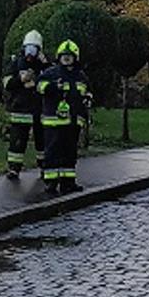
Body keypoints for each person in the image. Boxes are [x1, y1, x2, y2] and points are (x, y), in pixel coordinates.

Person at [38, 40, 92, 194]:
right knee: (52, 151)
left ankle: (68, 182)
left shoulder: (81, 76)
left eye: (70, 56)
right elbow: (39, 87)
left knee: (70, 153)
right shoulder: (52, 73)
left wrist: (88, 98)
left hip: (73, 122)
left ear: (76, 57)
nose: (67, 58)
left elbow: (88, 91)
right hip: (54, 122)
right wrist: (53, 87)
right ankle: (51, 182)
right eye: (64, 56)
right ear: (58, 57)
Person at [2, 30, 48, 178]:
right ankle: (14, 169)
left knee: (42, 140)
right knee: (17, 140)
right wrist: (20, 80)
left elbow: (52, 79)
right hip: (20, 109)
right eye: (28, 47)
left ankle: (45, 167)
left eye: (34, 48)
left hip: (39, 109)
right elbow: (7, 83)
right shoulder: (16, 62)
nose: (30, 52)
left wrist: (45, 64)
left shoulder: (44, 65)